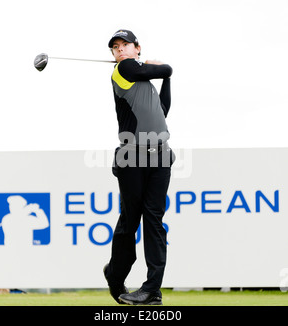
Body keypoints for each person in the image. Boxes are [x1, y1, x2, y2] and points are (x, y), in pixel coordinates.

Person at [103, 29, 175, 305]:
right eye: (115, 48)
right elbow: (167, 68)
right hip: (132, 157)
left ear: (137, 47)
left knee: (154, 221)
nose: (119, 50)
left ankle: (152, 289)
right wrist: (161, 69)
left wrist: (165, 78)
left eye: (125, 45)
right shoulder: (123, 71)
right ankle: (116, 275)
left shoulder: (143, 82)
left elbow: (162, 109)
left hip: (160, 157)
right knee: (130, 220)